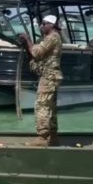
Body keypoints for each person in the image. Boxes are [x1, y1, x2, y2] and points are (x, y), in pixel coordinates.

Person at [19, 15, 63, 146]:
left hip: (49, 77)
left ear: (52, 25)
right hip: (52, 76)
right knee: (51, 108)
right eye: (41, 24)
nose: (41, 26)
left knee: (42, 106)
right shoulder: (52, 37)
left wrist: (28, 40)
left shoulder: (52, 37)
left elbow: (37, 52)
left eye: (44, 24)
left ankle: (42, 137)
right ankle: (53, 136)